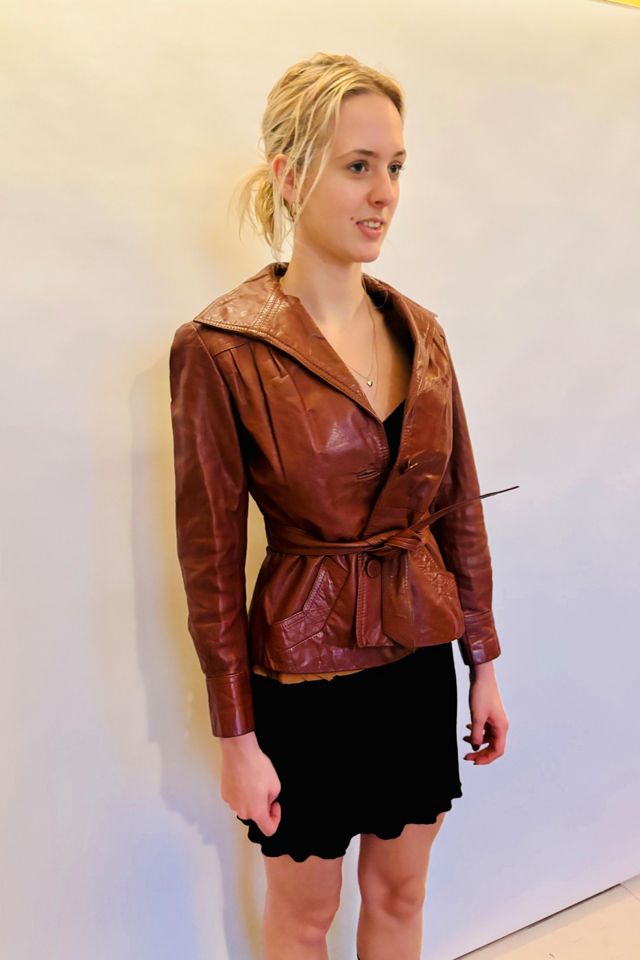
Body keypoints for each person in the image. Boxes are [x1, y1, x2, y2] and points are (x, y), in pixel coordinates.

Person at [169, 52, 515, 960]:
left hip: (416, 656)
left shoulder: (421, 333)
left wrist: (481, 661)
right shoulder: (220, 348)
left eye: (394, 166)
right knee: (304, 917)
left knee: (401, 895)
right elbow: (210, 561)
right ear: (290, 176)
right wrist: (236, 738)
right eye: (358, 165)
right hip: (302, 677)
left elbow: (459, 507)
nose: (384, 193)